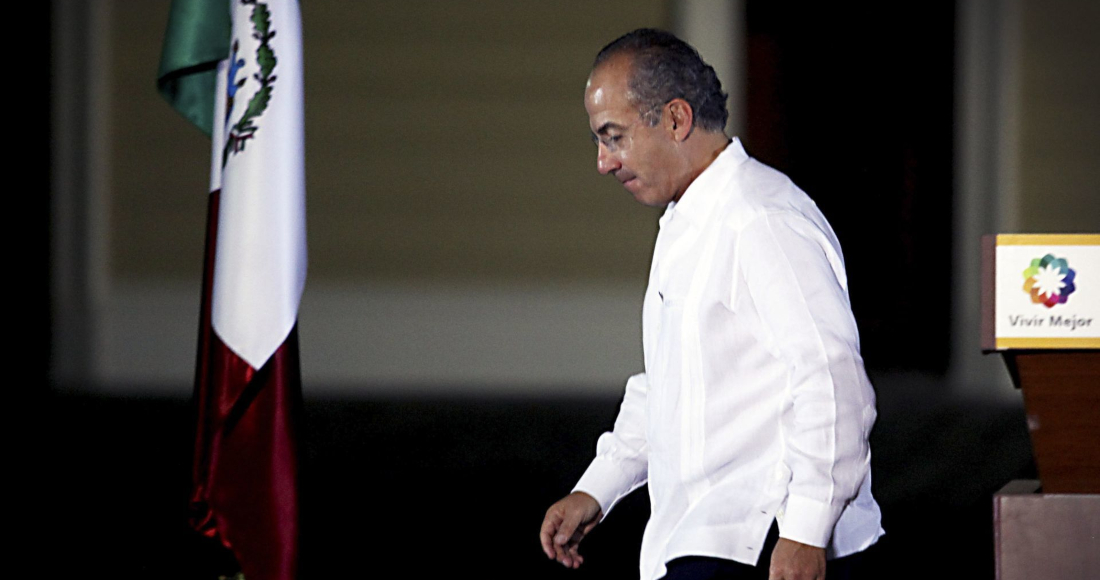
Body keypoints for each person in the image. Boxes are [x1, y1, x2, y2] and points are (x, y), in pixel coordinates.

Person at [539, 29, 883, 580]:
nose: (603, 162)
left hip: (761, 541)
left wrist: (805, 531)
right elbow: (669, 383)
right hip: (704, 539)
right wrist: (597, 488)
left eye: (614, 137)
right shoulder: (688, 219)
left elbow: (831, 379)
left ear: (676, 119)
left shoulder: (761, 219)